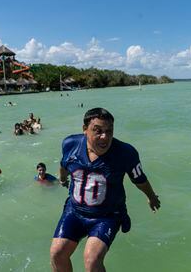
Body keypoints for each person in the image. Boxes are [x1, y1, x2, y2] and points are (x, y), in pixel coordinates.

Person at [50, 107, 161, 272]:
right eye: (98, 131)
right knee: (57, 253)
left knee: (92, 260)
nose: (105, 137)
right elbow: (63, 164)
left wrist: (151, 197)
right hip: (74, 211)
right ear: (85, 130)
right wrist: (63, 178)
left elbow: (139, 179)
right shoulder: (70, 144)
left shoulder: (125, 153)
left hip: (107, 216)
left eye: (109, 131)